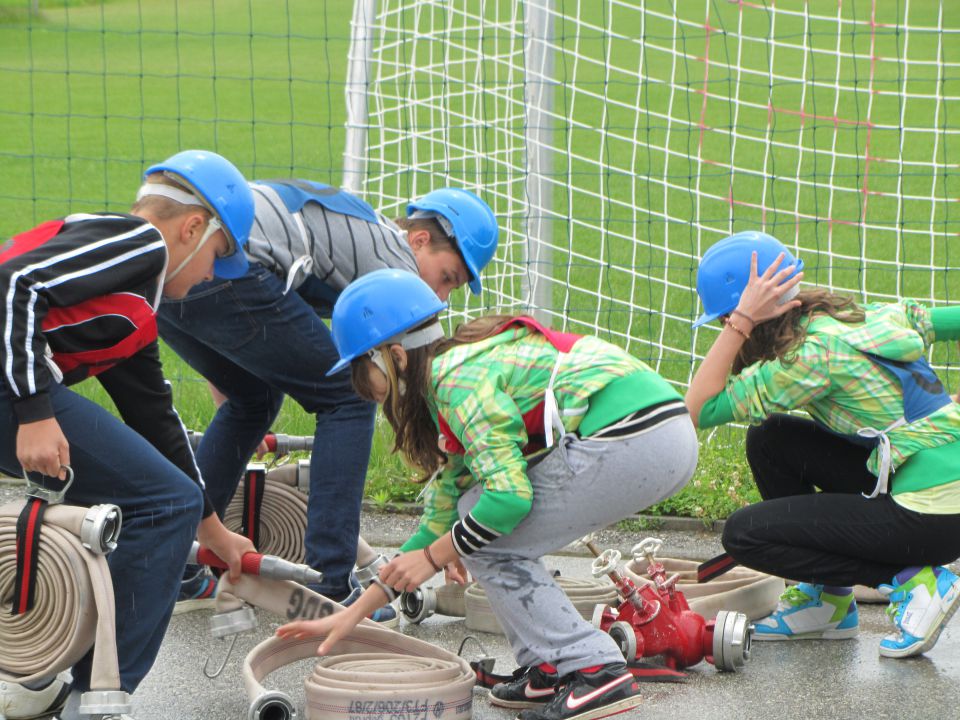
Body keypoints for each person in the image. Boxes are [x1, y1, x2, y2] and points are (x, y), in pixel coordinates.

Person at [276, 268, 699, 720]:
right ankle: (551, 665)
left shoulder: (454, 380)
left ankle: (594, 669)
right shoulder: (452, 381)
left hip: (637, 436)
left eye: (364, 378)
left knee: (487, 528)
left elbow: (508, 501)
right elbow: (437, 526)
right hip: (656, 435)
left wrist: (439, 556)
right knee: (469, 515)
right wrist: (352, 613)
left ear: (394, 357)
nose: (369, 397)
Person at [156, 181, 498, 620]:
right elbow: (415, 390)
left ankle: (180, 564)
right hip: (224, 262)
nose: (440, 297)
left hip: (177, 268)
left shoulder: (366, 235)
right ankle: (330, 587)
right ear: (419, 239)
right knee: (348, 396)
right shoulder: (397, 267)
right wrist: (453, 519)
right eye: (447, 277)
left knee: (252, 399)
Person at [0, 149, 258, 718]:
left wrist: (215, 533)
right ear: (193, 228)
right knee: (164, 505)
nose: (213, 274)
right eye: (218, 256)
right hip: (10, 389)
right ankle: (98, 696)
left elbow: (156, 422)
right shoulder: (140, 243)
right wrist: (34, 410)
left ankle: (41, 676)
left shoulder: (133, 311)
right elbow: (14, 282)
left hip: (11, 387)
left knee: (165, 498)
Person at [685, 230, 960, 658]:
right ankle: (828, 602)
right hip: (937, 494)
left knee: (745, 535)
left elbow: (697, 410)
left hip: (929, 515)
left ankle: (914, 580)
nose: (725, 329)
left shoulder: (805, 360)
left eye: (724, 319)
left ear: (753, 311)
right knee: (771, 439)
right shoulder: (856, 315)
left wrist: (740, 322)